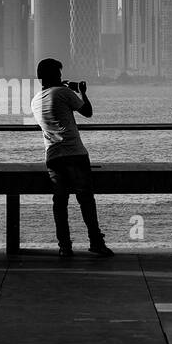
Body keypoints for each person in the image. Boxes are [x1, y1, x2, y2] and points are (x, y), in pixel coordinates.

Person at [30, 58, 114, 257]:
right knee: (86, 201)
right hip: (75, 154)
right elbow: (88, 112)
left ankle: (64, 246)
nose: (61, 77)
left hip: (53, 156)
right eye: (59, 74)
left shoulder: (35, 101)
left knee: (60, 203)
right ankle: (96, 242)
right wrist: (82, 92)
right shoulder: (64, 93)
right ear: (53, 76)